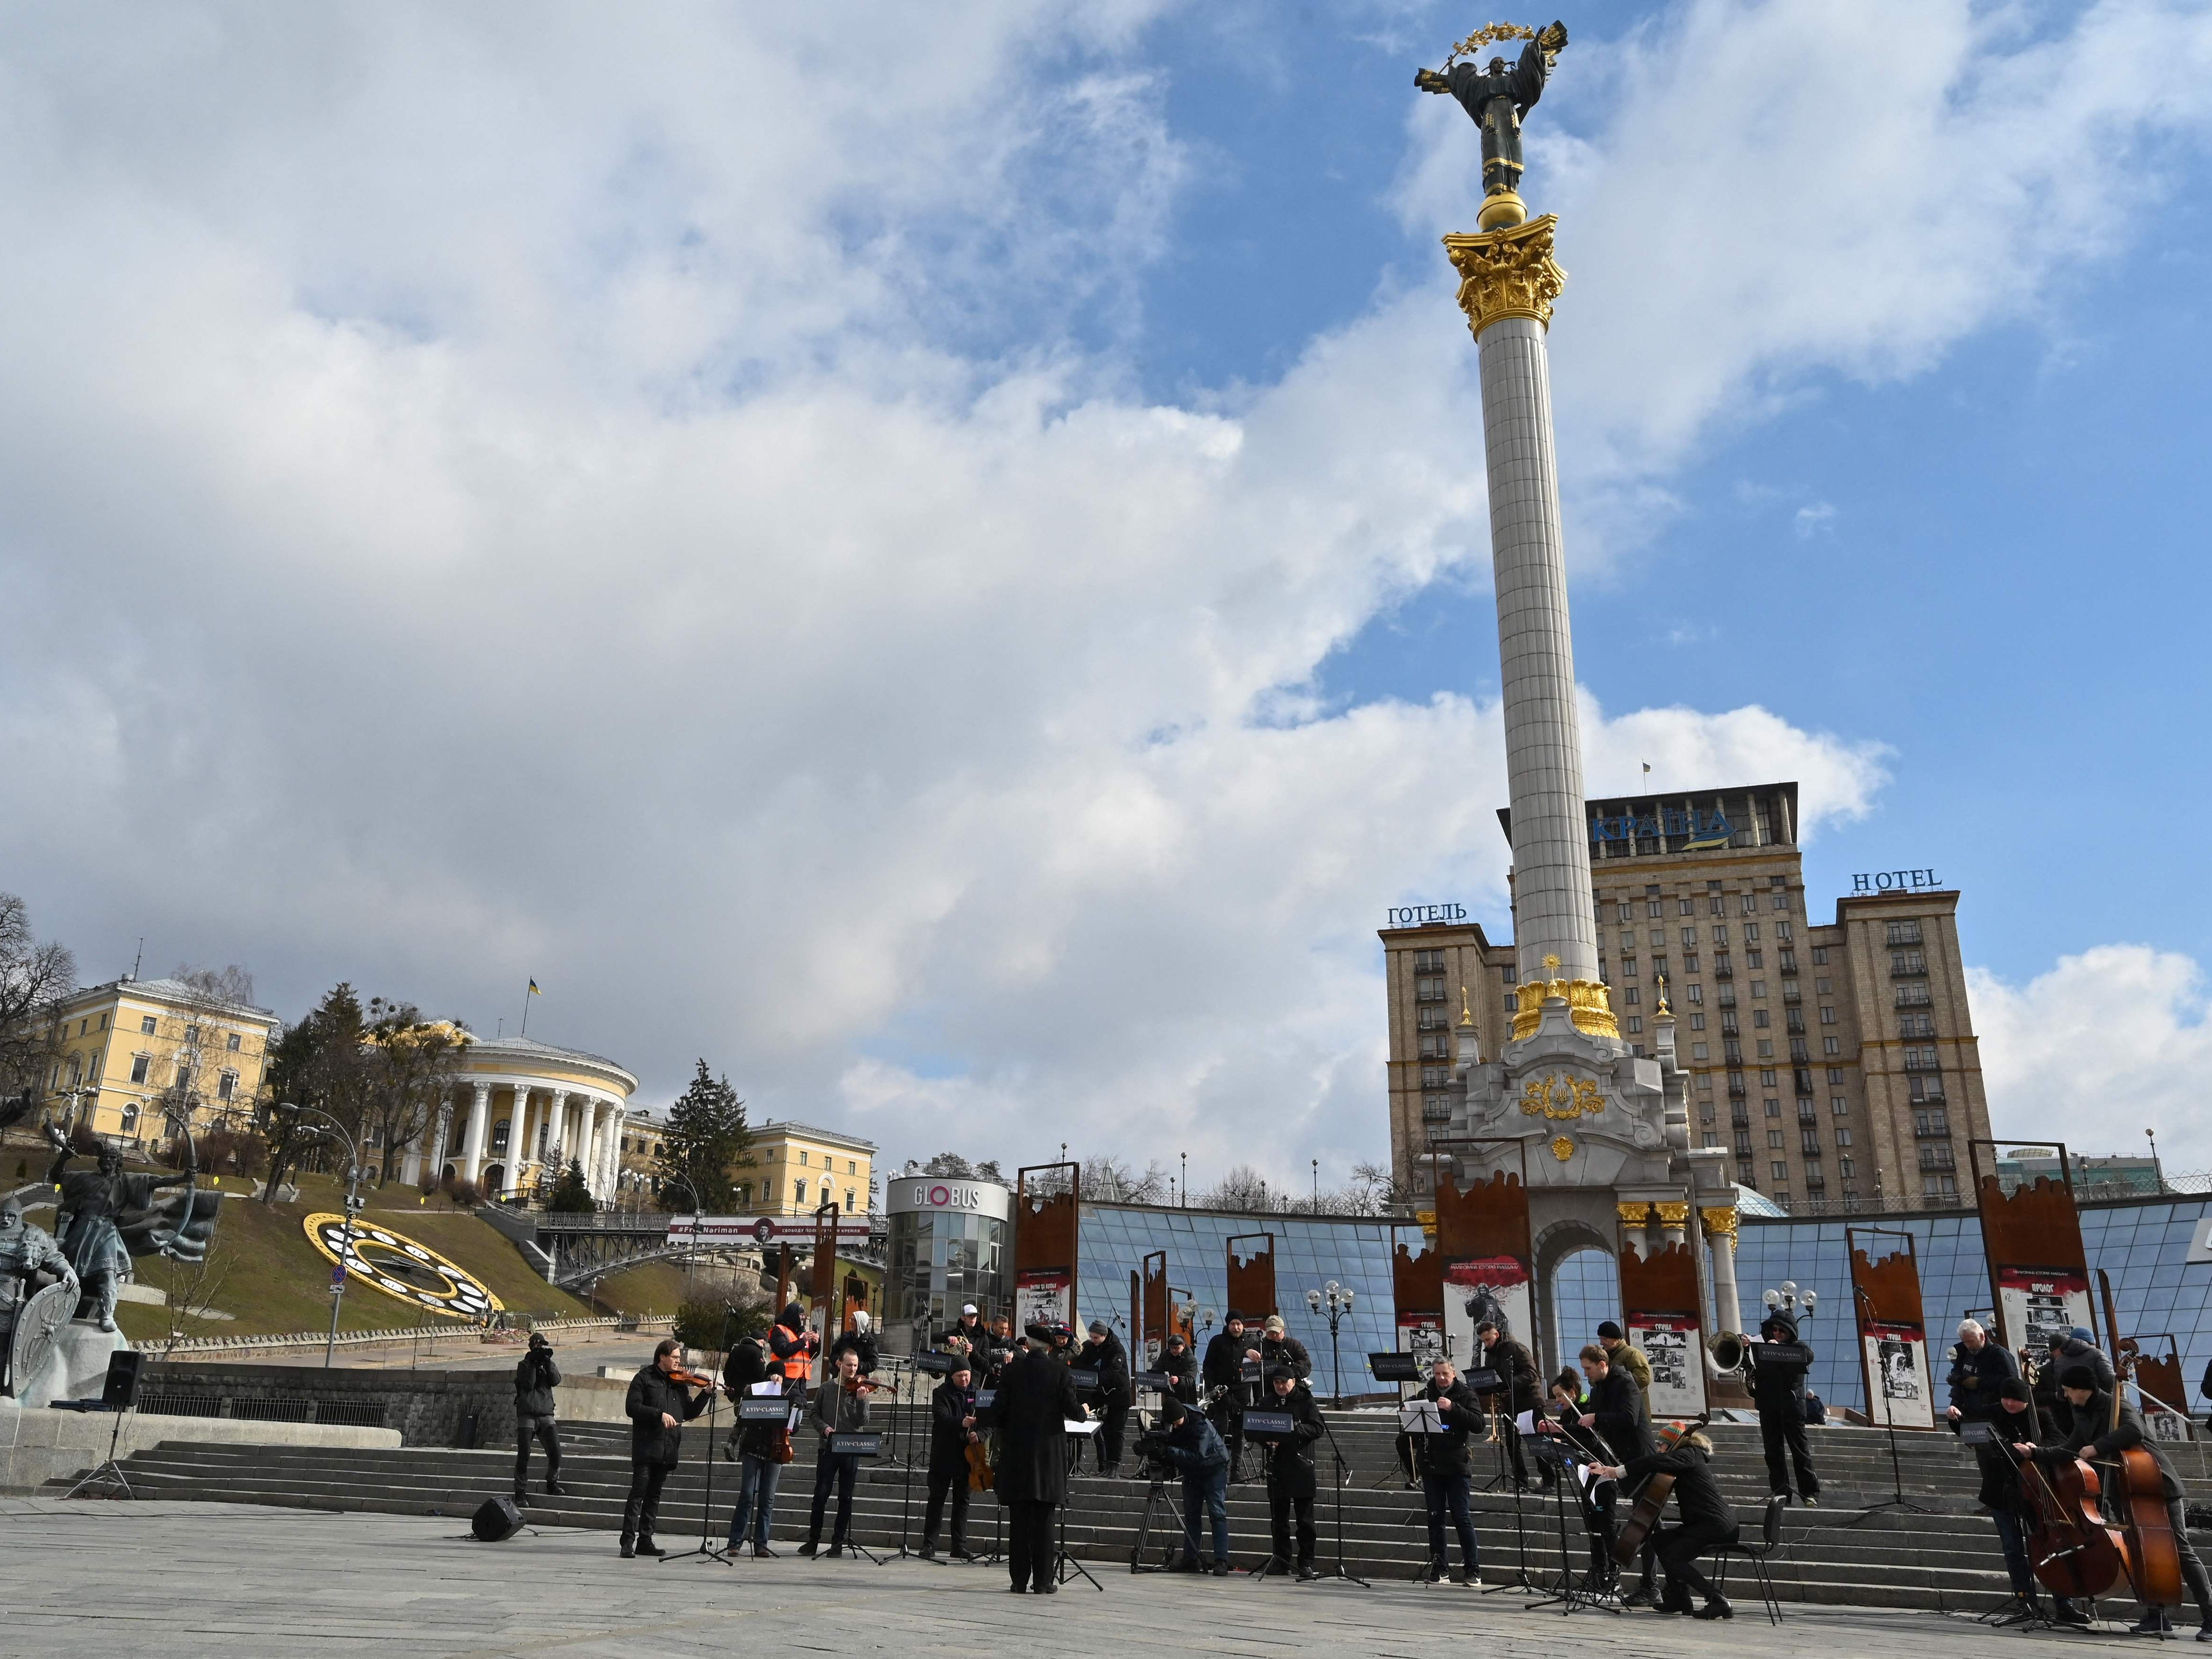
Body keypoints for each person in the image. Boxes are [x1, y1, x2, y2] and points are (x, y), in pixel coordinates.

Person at [2018, 1362, 2212, 1637]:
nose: (2065, 1396)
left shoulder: (2116, 1403)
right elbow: (2071, 1448)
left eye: (2068, 1390)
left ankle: (2210, 1615)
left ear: (2082, 1389)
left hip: (2155, 1485)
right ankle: (2156, 1615)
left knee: (2181, 1551)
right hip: (2123, 1490)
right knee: (2137, 1551)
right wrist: (2036, 1454)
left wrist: (2098, 1446)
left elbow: (2134, 1431)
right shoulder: (2081, 1413)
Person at [1589, 1427, 1738, 1619]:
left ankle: (1717, 1599)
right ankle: (1679, 1597)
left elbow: (1654, 1461)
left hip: (1715, 1525)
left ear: (1675, 1442)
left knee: (1674, 1557)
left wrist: (1618, 1471)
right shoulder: (1684, 1459)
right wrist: (1607, 1472)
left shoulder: (1689, 1454)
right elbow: (1653, 1467)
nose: (1658, 1449)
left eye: (1661, 1444)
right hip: (1703, 1524)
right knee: (1659, 1541)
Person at [989, 1324, 1084, 1593]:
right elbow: (1074, 1412)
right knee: (1044, 1522)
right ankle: (1043, 1581)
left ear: (1027, 1345)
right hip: (1048, 1459)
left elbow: (997, 1412)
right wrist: (1084, 1410)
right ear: (1050, 1347)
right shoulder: (1060, 1372)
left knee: (1018, 1522)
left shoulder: (1011, 1371)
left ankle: (1019, 1581)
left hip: (1017, 1456)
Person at [620, 1338, 710, 1558]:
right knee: (638, 1493)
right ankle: (627, 1543)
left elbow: (688, 1413)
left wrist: (706, 1394)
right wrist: (658, 1414)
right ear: (662, 1357)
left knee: (654, 1496)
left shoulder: (679, 1384)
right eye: (676, 1358)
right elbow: (632, 1407)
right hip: (646, 1445)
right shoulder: (644, 1378)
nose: (680, 1362)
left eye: (680, 1358)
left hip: (668, 1447)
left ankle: (646, 1541)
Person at [1977, 1378, 2044, 1617]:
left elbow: (2061, 1444)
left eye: (2016, 1400)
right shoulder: (1990, 1414)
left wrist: (2035, 1450)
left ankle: (2064, 1602)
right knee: (2013, 1548)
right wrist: (1955, 1420)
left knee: (2045, 1546)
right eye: (2007, 1398)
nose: (2010, 1403)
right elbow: (1971, 1435)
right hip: (2001, 1490)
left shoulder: (2041, 1416)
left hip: (2036, 1492)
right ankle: (2024, 1600)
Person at [1414, 1358, 1481, 1585]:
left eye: (1445, 1373)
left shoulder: (1466, 1393)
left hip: (1457, 1464)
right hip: (1431, 1464)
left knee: (1462, 1517)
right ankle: (1439, 1567)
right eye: (1437, 1374)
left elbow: (1478, 1423)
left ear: (1453, 1373)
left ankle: (1473, 1569)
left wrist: (1454, 1408)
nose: (1441, 1378)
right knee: (1435, 1518)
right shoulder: (1427, 1392)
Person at [800, 1348, 871, 1557]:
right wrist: (824, 1428)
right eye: (849, 1365)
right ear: (840, 1364)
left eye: (856, 1366)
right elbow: (814, 1414)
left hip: (851, 1448)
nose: (853, 1369)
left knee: (846, 1497)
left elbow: (863, 1422)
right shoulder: (826, 1389)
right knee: (821, 1494)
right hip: (828, 1447)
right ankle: (813, 1540)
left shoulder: (861, 1389)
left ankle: (838, 1542)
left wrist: (860, 1401)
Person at [723, 1351, 794, 1558]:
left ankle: (761, 1543)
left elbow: (796, 1425)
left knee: (767, 1499)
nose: (776, 1379)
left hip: (776, 1450)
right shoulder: (753, 1394)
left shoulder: (787, 1397)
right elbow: (741, 1420)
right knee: (746, 1495)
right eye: (773, 1376)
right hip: (752, 1449)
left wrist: (789, 1415)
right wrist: (732, 1442)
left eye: (779, 1376)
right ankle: (734, 1542)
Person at [1258, 1365, 1325, 1580]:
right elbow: (1256, 1427)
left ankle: (1306, 1563)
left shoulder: (1306, 1400)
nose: (1280, 1386)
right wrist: (1265, 1440)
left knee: (1305, 1521)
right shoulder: (1267, 1401)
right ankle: (1281, 1560)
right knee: (1279, 1520)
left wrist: (1295, 1428)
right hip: (1277, 1467)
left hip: (1302, 1466)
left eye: (1284, 1382)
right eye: (1276, 1382)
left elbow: (1317, 1428)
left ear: (1293, 1382)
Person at [1750, 1307, 1819, 1507]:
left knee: (1800, 1452)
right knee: (1773, 1453)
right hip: (1769, 1408)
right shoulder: (1761, 1349)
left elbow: (1808, 1355)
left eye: (1782, 1331)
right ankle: (1781, 1493)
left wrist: (1778, 1351)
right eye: (1774, 1330)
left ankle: (1810, 1493)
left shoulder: (1799, 1348)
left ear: (1790, 1333)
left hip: (1791, 1409)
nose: (1777, 1334)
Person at [1158, 1396, 1233, 1575]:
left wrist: (1169, 1451)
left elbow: (1198, 1456)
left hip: (1213, 1468)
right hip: (1192, 1471)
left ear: (1183, 1415)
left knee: (1217, 1514)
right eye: (1172, 1424)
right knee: (1192, 1515)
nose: (1175, 1427)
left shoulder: (1200, 1424)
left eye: (1177, 1423)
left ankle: (1221, 1561)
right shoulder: (1171, 1418)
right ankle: (1190, 1559)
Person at [920, 1360, 979, 1560]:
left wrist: (979, 1434)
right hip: (944, 1454)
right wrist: (961, 1423)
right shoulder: (941, 1392)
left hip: (967, 1456)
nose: (964, 1379)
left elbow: (989, 1420)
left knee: (963, 1501)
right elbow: (941, 1416)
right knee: (937, 1499)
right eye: (960, 1376)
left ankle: (959, 1545)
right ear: (952, 1376)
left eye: (967, 1375)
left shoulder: (977, 1392)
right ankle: (929, 1544)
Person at [1476, 1318, 1539, 1488]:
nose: (1486, 1344)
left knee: (1535, 1442)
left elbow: (1532, 1374)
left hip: (1529, 1401)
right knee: (1512, 1443)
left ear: (1497, 1334)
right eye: (1483, 1341)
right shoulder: (1489, 1355)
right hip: (1509, 1403)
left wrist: (1508, 1384)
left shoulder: (1516, 1348)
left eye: (1488, 1340)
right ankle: (1521, 1480)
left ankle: (1548, 1479)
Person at [512, 1331, 565, 1504]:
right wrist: (534, 1363)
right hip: (527, 1413)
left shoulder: (547, 1363)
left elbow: (556, 1380)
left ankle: (552, 1482)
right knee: (524, 1454)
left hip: (546, 1413)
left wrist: (547, 1362)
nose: (541, 1348)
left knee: (556, 1451)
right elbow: (528, 1384)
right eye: (538, 1346)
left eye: (543, 1345)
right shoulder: (524, 1365)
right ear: (532, 1346)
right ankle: (520, 1491)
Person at [1202, 1310, 1255, 1478]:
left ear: (1243, 1325)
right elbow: (1208, 1365)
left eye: (1239, 1324)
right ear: (1228, 1325)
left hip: (1242, 1393)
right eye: (1233, 1324)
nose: (1236, 1327)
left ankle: (1236, 1470)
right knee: (1220, 1427)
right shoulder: (1217, 1341)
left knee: (1240, 1432)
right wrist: (1211, 1388)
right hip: (1221, 1391)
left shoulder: (1250, 1343)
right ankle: (1220, 1467)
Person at [1079, 1319, 1131, 1474]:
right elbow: (1082, 1363)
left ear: (1104, 1336)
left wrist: (1095, 1379)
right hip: (1102, 1395)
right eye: (1091, 1337)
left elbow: (1113, 1371)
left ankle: (1114, 1465)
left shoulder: (1117, 1349)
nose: (1093, 1340)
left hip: (1119, 1395)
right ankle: (1107, 1465)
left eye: (1096, 1338)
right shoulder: (1091, 1347)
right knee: (1106, 1432)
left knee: (1116, 1432)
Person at [1946, 1317, 2019, 1427]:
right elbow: (1957, 1374)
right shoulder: (1964, 1354)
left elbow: (2011, 1381)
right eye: (1965, 1343)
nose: (1968, 1346)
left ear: (1981, 1336)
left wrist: (1980, 1382)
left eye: (1971, 1342)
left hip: (1993, 1411)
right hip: (1967, 1410)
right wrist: (1955, 1378)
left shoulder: (1998, 1354)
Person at [768, 1301, 820, 1399]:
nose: (804, 1318)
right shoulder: (779, 1330)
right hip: (784, 1380)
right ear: (794, 1316)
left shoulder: (800, 1334)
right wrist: (803, 1340)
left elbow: (811, 1355)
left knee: (798, 1411)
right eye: (801, 1315)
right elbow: (783, 1351)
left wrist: (816, 1344)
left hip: (801, 1382)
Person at [1596, 1320, 1652, 1399]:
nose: (1602, 1343)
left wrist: (1615, 1379)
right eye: (1601, 1339)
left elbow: (1644, 1379)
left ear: (1615, 1338)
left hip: (1633, 1405)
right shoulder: (1603, 1356)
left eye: (1605, 1339)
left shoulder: (1632, 1354)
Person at [1258, 1315, 1312, 1385]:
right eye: (1271, 1333)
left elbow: (1306, 1364)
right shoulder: (1260, 1345)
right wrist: (1249, 1352)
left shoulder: (1294, 1345)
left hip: (1291, 1387)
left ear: (1283, 1331)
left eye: (1276, 1333)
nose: (1274, 1335)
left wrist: (1290, 1373)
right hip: (1267, 1388)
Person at [829, 1309, 879, 1376]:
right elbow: (834, 1352)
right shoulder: (845, 1337)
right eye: (851, 1320)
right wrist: (837, 1361)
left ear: (860, 1323)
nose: (851, 1322)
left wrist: (856, 1366)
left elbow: (873, 1364)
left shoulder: (870, 1341)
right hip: (840, 1376)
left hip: (858, 1379)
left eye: (854, 1320)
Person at [1157, 1331, 1198, 1404]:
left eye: (1177, 1348)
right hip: (1170, 1396)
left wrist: (1179, 1380)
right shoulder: (1165, 1356)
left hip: (1186, 1399)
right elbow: (1157, 1367)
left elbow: (1191, 1380)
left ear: (1184, 1346)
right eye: (1172, 1348)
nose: (1174, 1351)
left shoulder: (1190, 1360)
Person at [980, 1315, 1017, 1387]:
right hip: (987, 1381)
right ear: (994, 1326)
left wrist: (1012, 1353)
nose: (1004, 1332)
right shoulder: (985, 1339)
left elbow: (1022, 1353)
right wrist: (990, 1369)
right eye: (1001, 1328)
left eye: (1006, 1329)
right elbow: (980, 1359)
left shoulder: (1008, 1341)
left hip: (1005, 1381)